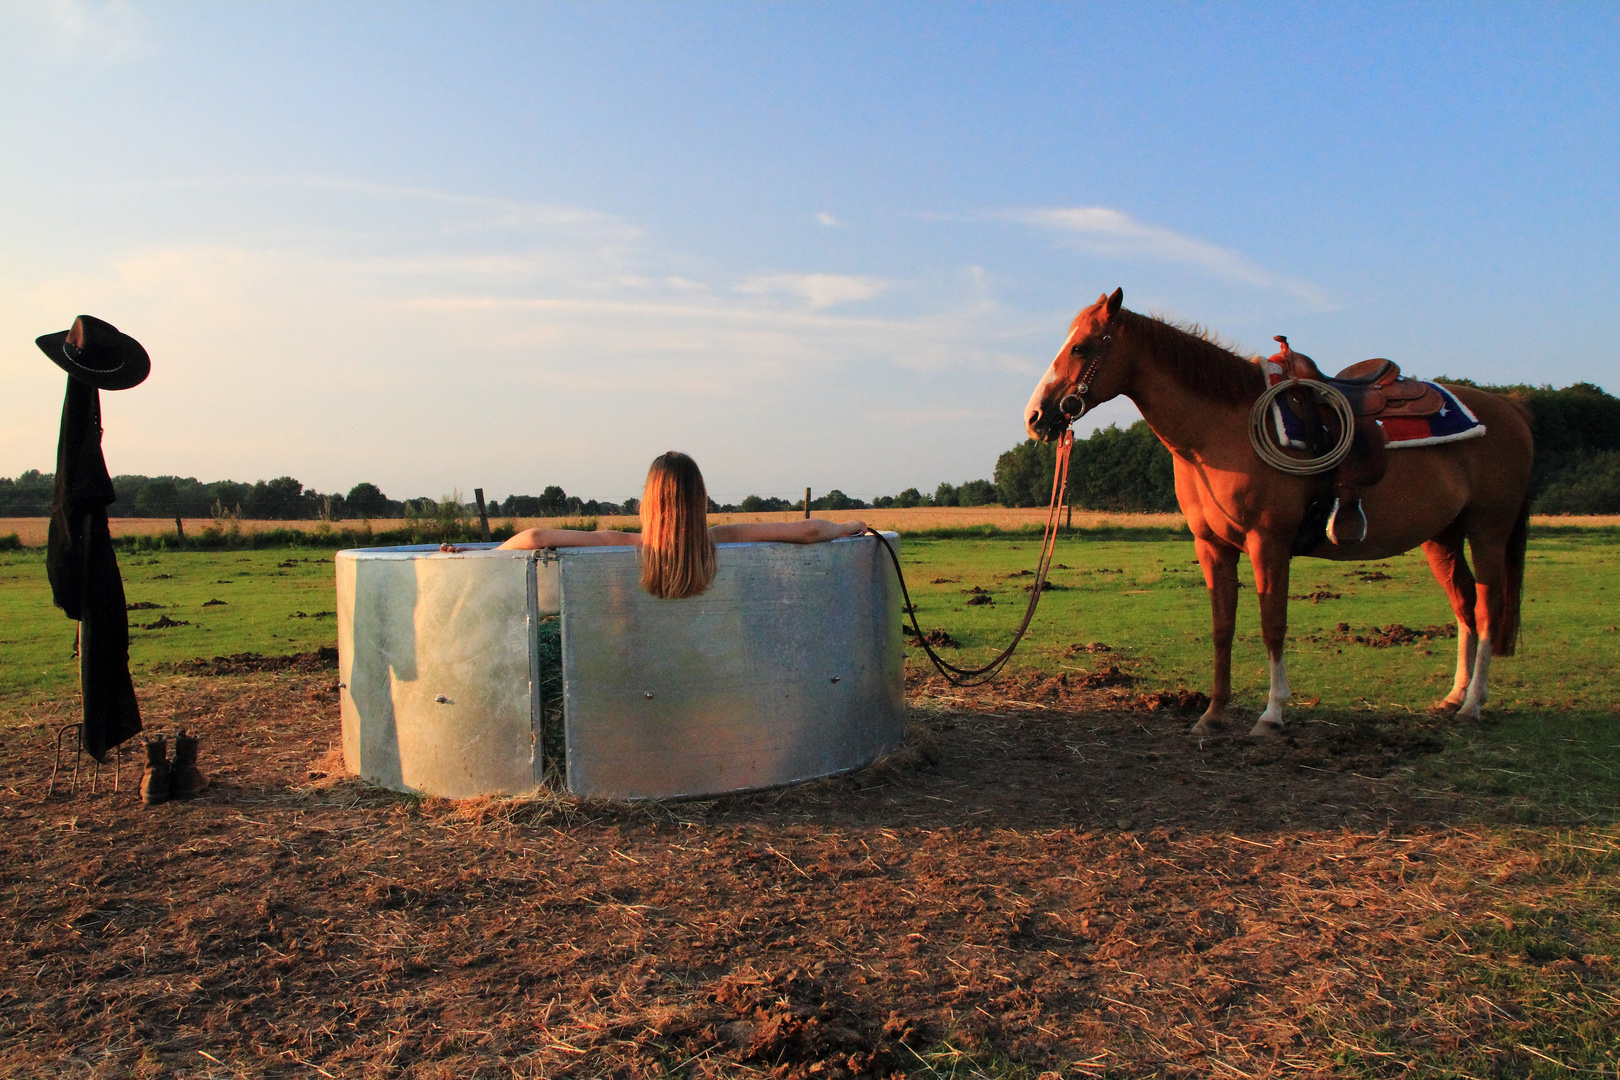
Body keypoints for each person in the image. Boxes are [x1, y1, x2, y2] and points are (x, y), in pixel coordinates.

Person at [448, 451, 866, 599]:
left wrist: (482, 557)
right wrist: (851, 524)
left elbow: (535, 537)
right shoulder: (721, 538)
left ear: (650, 501)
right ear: (700, 498)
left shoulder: (626, 543)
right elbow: (808, 531)